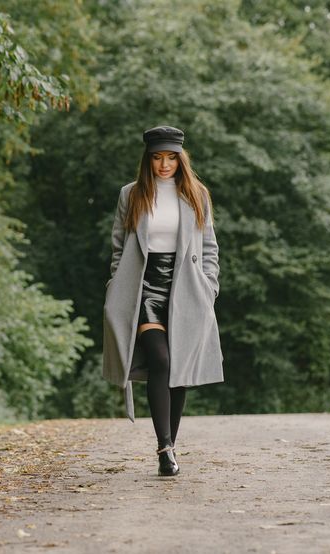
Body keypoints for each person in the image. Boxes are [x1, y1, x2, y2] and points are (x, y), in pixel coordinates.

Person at [102, 125, 224, 477]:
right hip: (144, 288)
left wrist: (208, 287)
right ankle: (164, 447)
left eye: (171, 157)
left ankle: (169, 446)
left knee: (179, 369)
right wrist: (117, 286)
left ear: (180, 159)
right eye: (158, 158)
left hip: (186, 288)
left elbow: (209, 247)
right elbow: (119, 248)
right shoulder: (131, 194)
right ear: (148, 160)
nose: (164, 164)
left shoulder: (196, 194)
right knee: (160, 358)